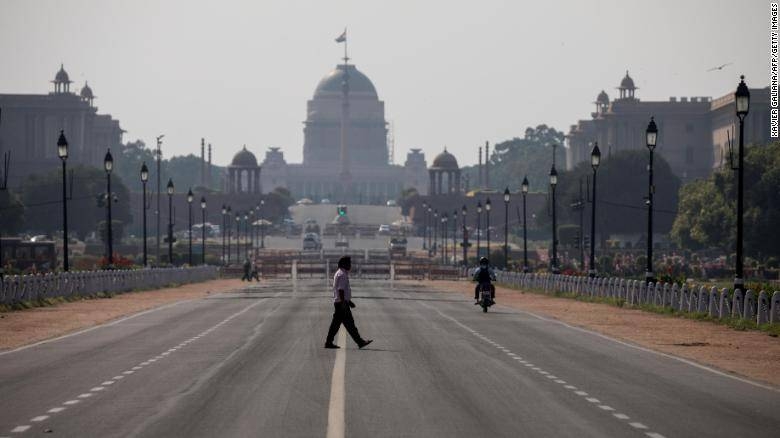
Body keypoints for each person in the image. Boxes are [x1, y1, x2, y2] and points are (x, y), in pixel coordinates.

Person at [324, 256, 373, 349]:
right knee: (349, 324)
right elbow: (341, 290)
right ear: (344, 264)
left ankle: (329, 342)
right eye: (349, 263)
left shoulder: (340, 273)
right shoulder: (342, 274)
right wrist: (344, 303)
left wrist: (349, 302)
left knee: (337, 325)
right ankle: (359, 342)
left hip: (340, 303)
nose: (350, 265)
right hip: (341, 304)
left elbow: (342, 291)